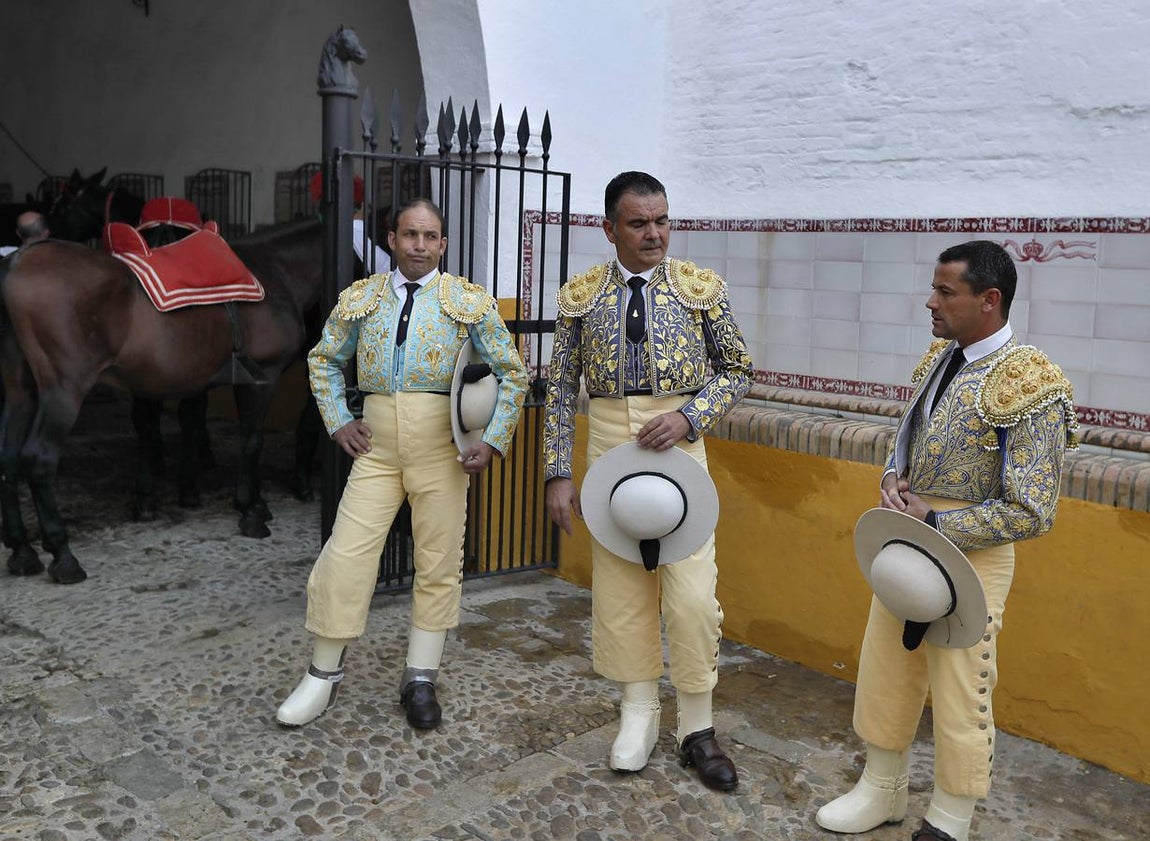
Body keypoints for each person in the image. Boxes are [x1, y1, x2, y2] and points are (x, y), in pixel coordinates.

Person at [816, 240, 1077, 841]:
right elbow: (906, 439)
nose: (929, 301)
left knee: (964, 684)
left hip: (972, 557)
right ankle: (880, 789)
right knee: (887, 664)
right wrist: (890, 476)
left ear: (989, 301)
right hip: (912, 542)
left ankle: (952, 815)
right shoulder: (939, 359)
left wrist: (938, 523)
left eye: (944, 291)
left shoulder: (1032, 381)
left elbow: (1033, 509)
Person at [277, 198, 528, 730]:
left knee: (438, 561)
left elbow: (512, 372)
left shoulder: (468, 301)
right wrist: (339, 420)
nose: (419, 244)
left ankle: (421, 675)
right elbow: (323, 359)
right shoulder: (361, 298)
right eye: (409, 234)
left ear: (443, 244)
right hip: (378, 449)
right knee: (346, 554)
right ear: (390, 239)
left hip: (444, 447)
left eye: (430, 235)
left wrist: (496, 439)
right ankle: (322, 674)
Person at [543, 171, 754, 791]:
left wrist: (691, 415)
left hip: (682, 449)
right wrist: (559, 473)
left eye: (661, 220)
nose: (654, 233)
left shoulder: (700, 289)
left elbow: (739, 368)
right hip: (610, 445)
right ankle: (637, 711)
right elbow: (558, 391)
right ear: (609, 229)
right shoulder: (580, 295)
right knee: (622, 591)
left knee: (691, 597)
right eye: (638, 223)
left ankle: (697, 727)